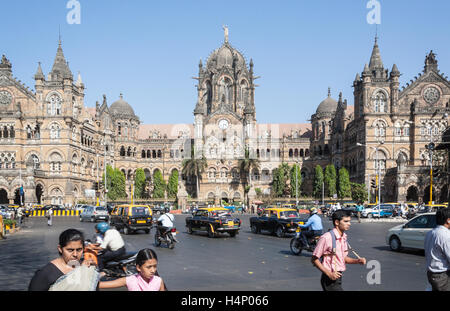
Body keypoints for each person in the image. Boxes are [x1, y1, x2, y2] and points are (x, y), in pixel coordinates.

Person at [311, 210, 366, 291]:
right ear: (337, 222)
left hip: (338, 277)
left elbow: (343, 258)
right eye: (346, 221)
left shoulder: (343, 237)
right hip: (329, 279)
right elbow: (314, 259)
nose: (349, 224)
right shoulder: (326, 238)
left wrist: (357, 261)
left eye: (349, 221)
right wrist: (329, 274)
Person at [28, 229, 99, 291]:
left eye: (79, 250)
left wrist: (87, 271)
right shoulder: (45, 273)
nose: (75, 254)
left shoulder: (87, 268)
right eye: (70, 250)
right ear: (60, 249)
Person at [99, 248, 166, 291]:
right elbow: (99, 285)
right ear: (138, 268)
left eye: (155, 266)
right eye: (149, 267)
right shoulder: (130, 280)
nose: (153, 270)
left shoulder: (159, 281)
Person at [424, 208, 450, 291]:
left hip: (431, 274)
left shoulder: (430, 233)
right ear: (448, 220)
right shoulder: (446, 235)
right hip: (442, 276)